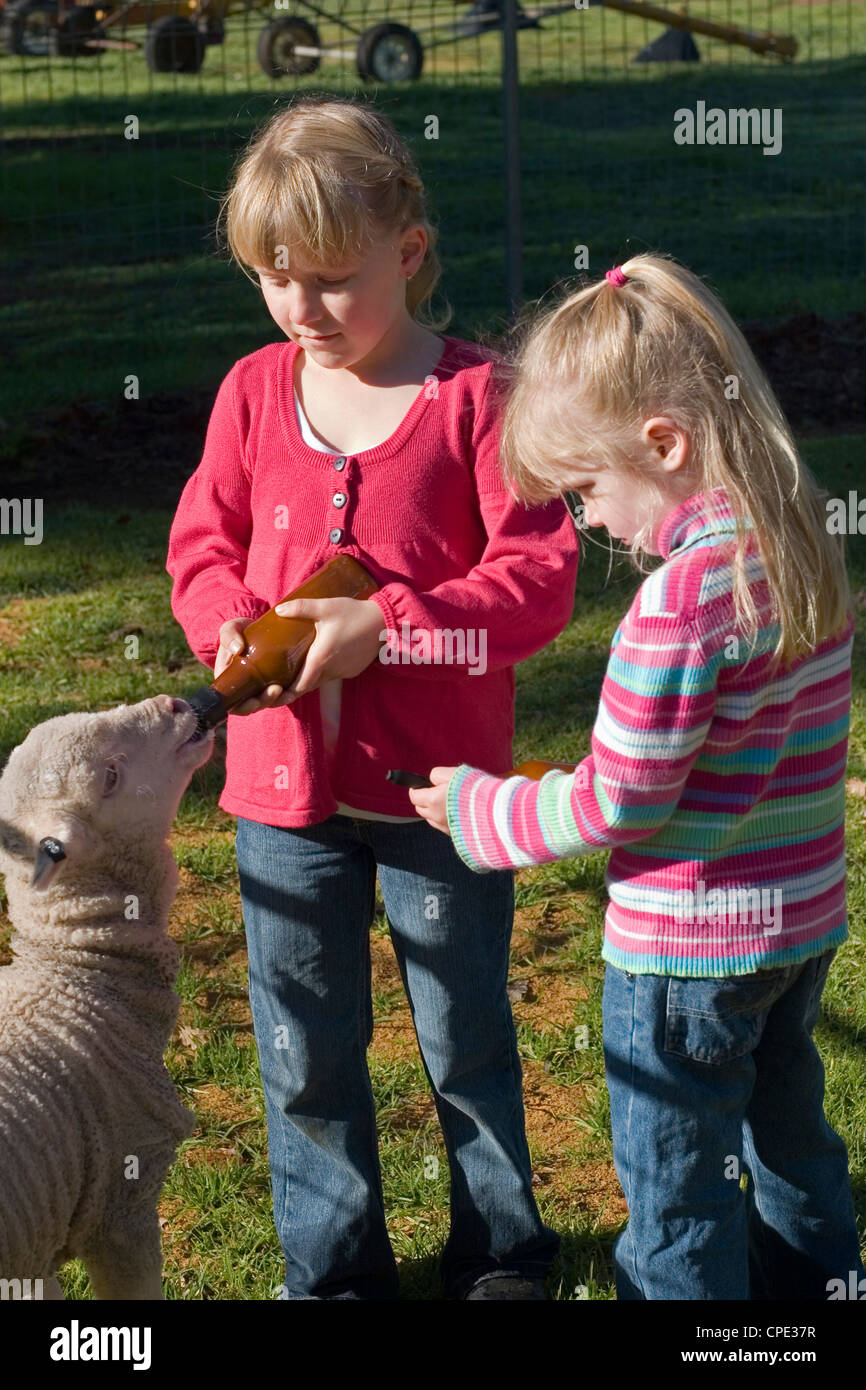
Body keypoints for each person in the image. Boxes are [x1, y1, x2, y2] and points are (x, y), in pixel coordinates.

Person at [165, 95, 579, 1301]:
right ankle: (333, 1273)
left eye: (332, 279)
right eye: (272, 280)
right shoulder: (251, 393)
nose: (301, 309)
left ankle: (501, 1255)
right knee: (303, 1050)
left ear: (408, 250)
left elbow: (537, 581)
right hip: (279, 803)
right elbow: (203, 546)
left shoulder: (478, 401)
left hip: (444, 804)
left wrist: (387, 628)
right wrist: (228, 620)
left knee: (465, 1040)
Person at [410, 254, 865, 1300]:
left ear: (660, 443)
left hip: (683, 954)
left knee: (676, 1192)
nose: (589, 521)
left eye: (584, 489)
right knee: (792, 1144)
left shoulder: (676, 604)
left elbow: (621, 797)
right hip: (794, 929)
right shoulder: (797, 546)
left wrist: (481, 808)